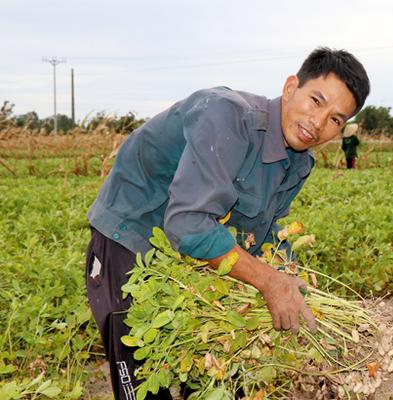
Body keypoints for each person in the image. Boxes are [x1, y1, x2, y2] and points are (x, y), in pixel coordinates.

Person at [85, 47, 370, 399]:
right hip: (132, 239)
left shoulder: (298, 163)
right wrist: (268, 281)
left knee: (216, 374)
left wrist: (287, 272)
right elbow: (188, 224)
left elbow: (262, 231)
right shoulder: (227, 116)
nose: (318, 122)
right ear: (290, 87)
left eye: (335, 119)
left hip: (192, 254)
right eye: (316, 100)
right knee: (143, 382)